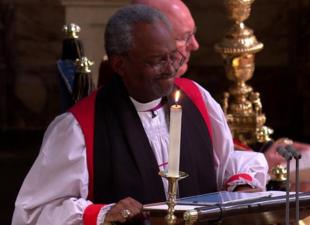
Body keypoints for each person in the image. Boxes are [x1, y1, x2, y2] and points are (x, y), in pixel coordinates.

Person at [12, 5, 268, 225]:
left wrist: (241, 185)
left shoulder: (197, 98)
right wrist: (100, 214)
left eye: (173, 56)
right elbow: (33, 213)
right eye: (157, 61)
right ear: (119, 64)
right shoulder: (79, 127)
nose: (170, 69)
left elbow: (226, 160)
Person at [130, 0, 310, 190]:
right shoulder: (106, 112)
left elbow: (223, 163)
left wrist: (260, 164)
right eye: (185, 37)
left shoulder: (195, 95)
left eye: (194, 34)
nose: (196, 45)